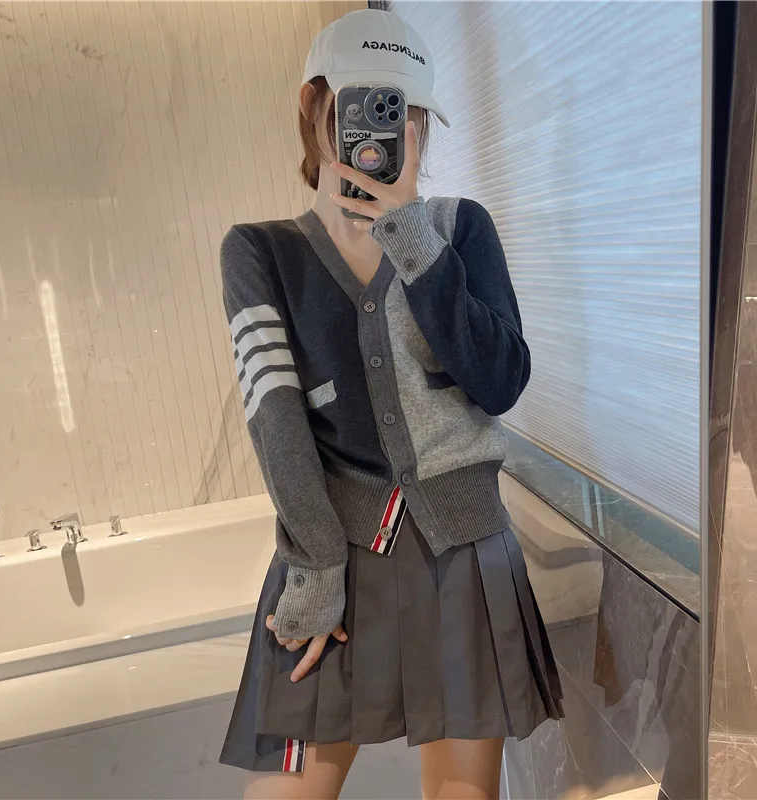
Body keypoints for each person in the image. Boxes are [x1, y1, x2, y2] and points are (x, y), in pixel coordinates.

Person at [218, 9, 563, 799]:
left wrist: (410, 235)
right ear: (313, 105)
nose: (387, 128)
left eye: (404, 110)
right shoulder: (259, 251)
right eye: (365, 103)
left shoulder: (459, 229)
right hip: (330, 560)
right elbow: (275, 418)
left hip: (464, 553)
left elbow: (502, 379)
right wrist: (315, 565)